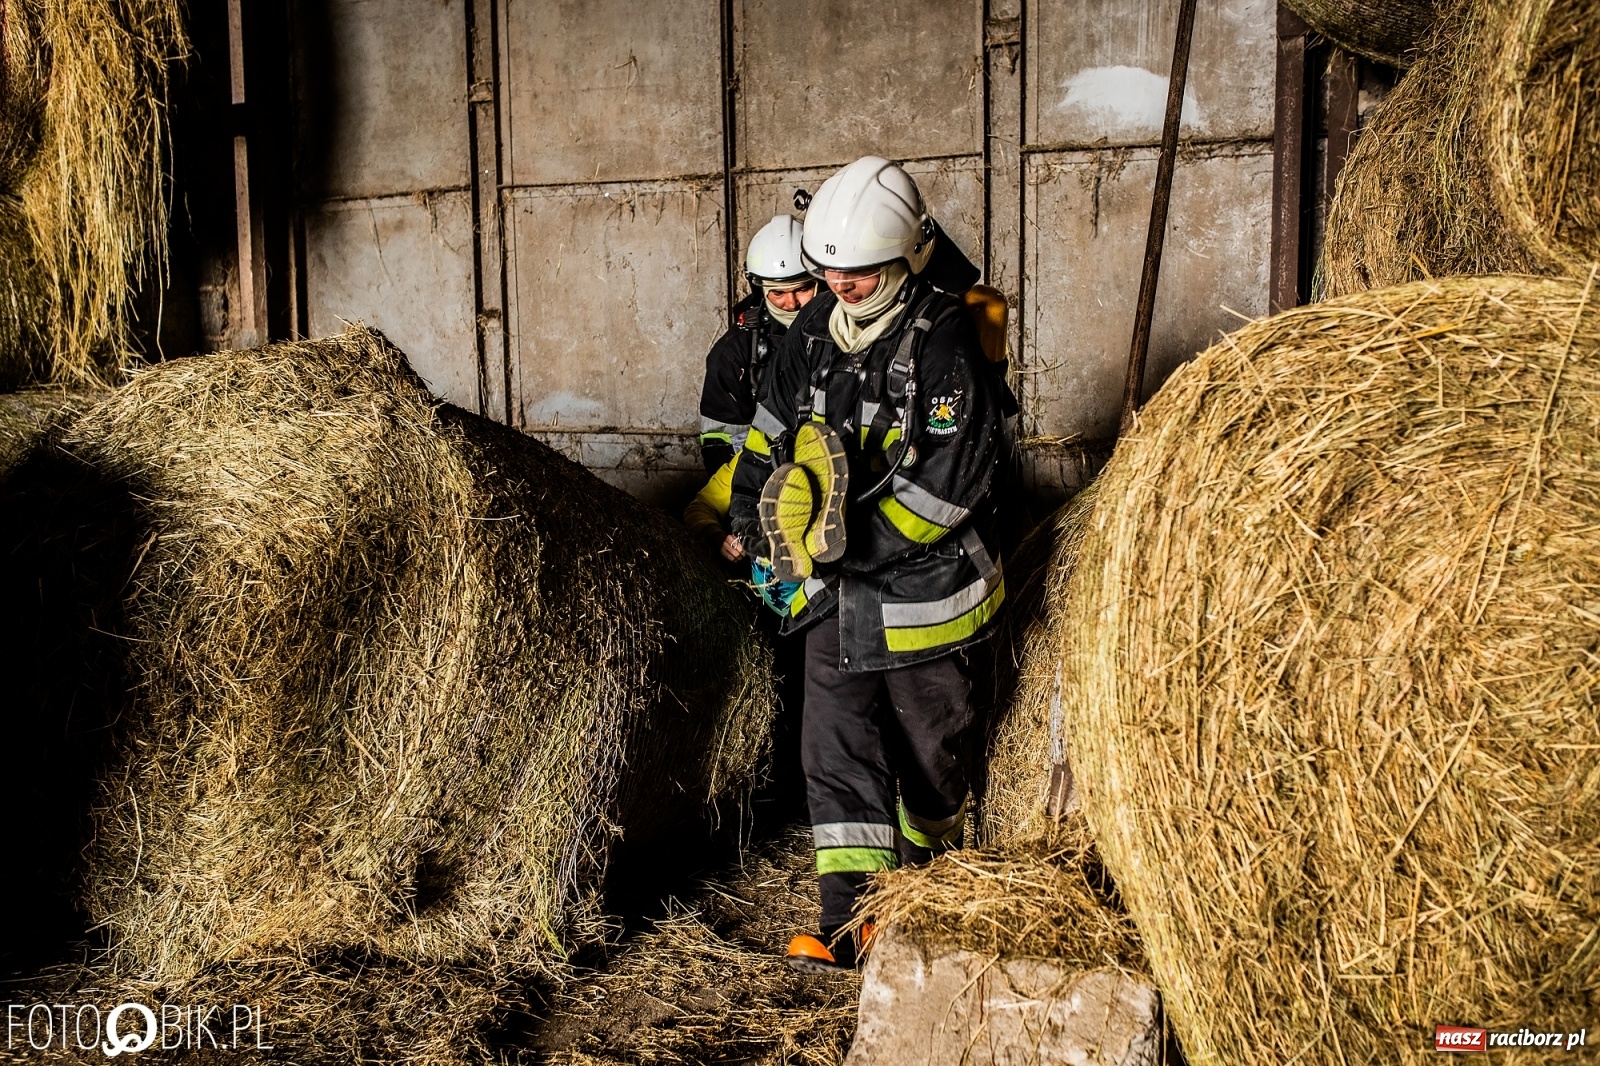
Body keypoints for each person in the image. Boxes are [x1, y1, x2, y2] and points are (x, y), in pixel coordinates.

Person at [726, 156, 1008, 971]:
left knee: (932, 751)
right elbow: (769, 431)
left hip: (924, 596)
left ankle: (921, 886)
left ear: (903, 261)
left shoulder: (946, 342)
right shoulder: (811, 335)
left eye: (860, 274)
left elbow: (945, 488)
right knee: (834, 747)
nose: (842, 286)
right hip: (833, 593)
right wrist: (755, 516)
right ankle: (850, 921)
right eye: (832, 273)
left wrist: (852, 546)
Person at [698, 214, 818, 474]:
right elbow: (721, 443)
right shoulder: (734, 354)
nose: (792, 303)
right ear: (760, 289)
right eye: (778, 293)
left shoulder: (847, 334)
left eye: (803, 289)